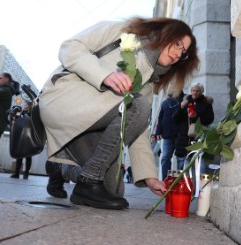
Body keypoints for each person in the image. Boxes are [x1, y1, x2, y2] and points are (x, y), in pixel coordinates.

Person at [39, 17, 199, 210]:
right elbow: (69, 47)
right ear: (166, 32)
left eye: (184, 52)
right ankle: (89, 179)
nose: (178, 53)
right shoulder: (122, 30)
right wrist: (104, 75)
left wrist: (150, 178)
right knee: (137, 105)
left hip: (91, 125)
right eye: (178, 43)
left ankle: (61, 168)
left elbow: (138, 128)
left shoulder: (150, 80)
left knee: (112, 189)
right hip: (64, 101)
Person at [173, 82, 214, 172]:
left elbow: (210, 119)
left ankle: (199, 185)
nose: (194, 93)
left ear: (201, 92)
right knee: (183, 165)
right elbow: (175, 118)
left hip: (198, 137)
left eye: (197, 91)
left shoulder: (206, 103)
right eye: (193, 90)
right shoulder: (185, 101)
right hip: (183, 138)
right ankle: (184, 185)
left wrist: (196, 116)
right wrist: (181, 108)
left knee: (199, 162)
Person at [155, 91, 184, 180]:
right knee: (165, 158)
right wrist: (158, 131)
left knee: (180, 158)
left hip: (180, 135)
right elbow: (160, 118)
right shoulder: (165, 102)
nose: (169, 90)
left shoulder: (184, 100)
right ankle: (165, 180)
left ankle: (179, 181)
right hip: (167, 135)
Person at [10, 103, 33, 179]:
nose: (26, 107)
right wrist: (16, 111)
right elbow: (15, 118)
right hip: (20, 136)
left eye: (28, 106)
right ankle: (17, 173)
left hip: (29, 136)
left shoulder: (32, 114)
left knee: (28, 156)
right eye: (25, 105)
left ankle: (26, 172)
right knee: (19, 155)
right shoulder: (21, 112)